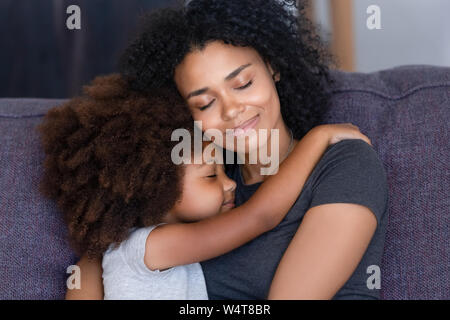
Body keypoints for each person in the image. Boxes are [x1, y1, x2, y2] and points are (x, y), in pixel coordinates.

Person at [67, 0, 389, 299]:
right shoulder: (203, 185)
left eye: (243, 83)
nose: (232, 110)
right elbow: (104, 257)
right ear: (183, 113)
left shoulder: (345, 164)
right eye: (205, 103)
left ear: (272, 67)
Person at [38, 73, 370, 299]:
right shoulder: (153, 246)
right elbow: (260, 216)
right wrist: (317, 138)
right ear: (156, 189)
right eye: (211, 176)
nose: (230, 185)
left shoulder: (123, 252)